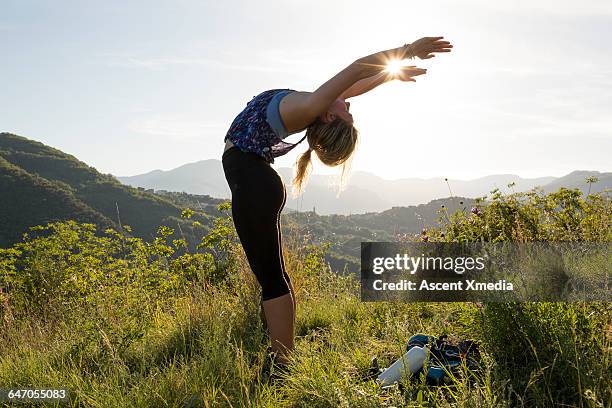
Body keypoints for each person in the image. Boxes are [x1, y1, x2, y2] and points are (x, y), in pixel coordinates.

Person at [221, 37, 453, 367]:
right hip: (256, 181)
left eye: (348, 116)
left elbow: (356, 70)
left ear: (329, 118)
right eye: (348, 111)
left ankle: (282, 364)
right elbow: (356, 84)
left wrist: (407, 50)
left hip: (254, 182)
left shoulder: (312, 107)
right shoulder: (319, 106)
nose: (349, 108)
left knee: (271, 277)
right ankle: (279, 355)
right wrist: (391, 72)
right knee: (272, 275)